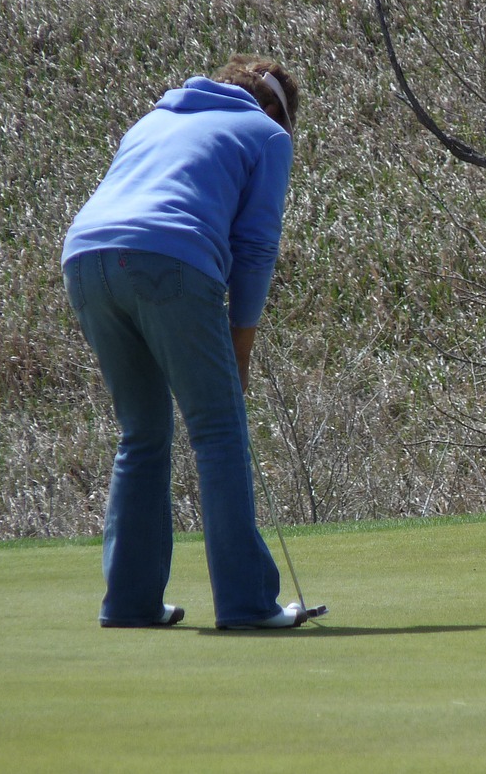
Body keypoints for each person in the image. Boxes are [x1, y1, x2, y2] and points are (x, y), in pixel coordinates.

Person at [61, 54, 307, 629]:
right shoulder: (267, 133)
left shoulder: (151, 120)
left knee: (142, 433)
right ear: (273, 107)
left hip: (85, 260)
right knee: (219, 430)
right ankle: (247, 604)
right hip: (170, 260)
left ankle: (129, 603)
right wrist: (240, 345)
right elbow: (255, 248)